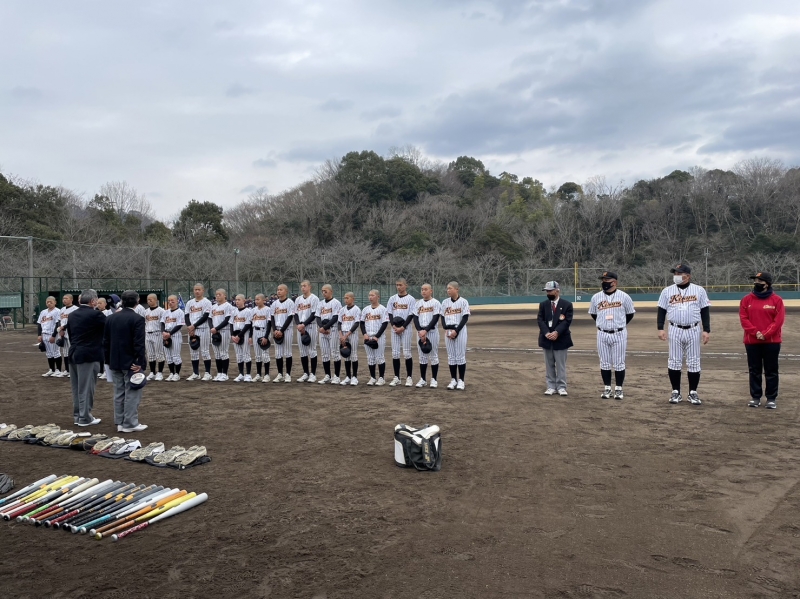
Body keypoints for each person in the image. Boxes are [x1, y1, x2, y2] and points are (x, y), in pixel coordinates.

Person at [657, 263, 711, 405]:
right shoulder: (667, 291)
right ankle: (676, 392)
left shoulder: (699, 290)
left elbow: (705, 311)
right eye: (675, 273)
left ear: (688, 276)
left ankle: (693, 392)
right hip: (675, 329)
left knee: (693, 361)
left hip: (693, 329)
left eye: (679, 273)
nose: (676, 276)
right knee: (674, 361)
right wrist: (660, 328)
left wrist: (706, 330)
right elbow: (661, 310)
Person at [104, 290, 148, 432]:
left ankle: (120, 422)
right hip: (131, 362)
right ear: (137, 301)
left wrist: (107, 360)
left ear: (122, 301)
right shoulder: (137, 319)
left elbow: (106, 342)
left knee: (118, 392)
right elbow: (139, 343)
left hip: (115, 360)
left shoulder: (110, 318)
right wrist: (140, 362)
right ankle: (130, 423)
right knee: (132, 392)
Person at [740, 271, 785, 409]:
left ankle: (771, 398)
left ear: (767, 284)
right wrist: (756, 333)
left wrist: (765, 334)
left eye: (760, 281)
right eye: (755, 281)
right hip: (752, 341)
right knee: (754, 370)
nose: (756, 283)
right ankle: (756, 397)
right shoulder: (746, 300)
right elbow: (744, 319)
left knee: (771, 370)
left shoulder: (777, 300)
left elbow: (778, 321)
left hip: (771, 342)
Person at [588, 272, 635, 400]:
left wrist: (619, 324)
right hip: (602, 333)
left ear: (614, 282)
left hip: (619, 333)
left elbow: (630, 314)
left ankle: (618, 389)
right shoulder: (596, 297)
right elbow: (593, 314)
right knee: (604, 363)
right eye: (603, 280)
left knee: (619, 362)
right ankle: (607, 388)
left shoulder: (624, 297)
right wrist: (603, 324)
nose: (604, 282)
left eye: (607, 280)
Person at [65, 289, 106, 426]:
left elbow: (70, 334)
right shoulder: (96, 314)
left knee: (76, 387)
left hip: (74, 352)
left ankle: (78, 415)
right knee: (87, 387)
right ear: (93, 301)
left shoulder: (72, 315)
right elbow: (108, 328)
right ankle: (85, 417)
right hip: (89, 354)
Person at [537, 281, 573, 396]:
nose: (548, 293)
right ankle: (551, 386)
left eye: (550, 291)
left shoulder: (567, 305)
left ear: (557, 291)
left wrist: (557, 332)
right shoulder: (543, 305)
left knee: (561, 365)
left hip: (561, 339)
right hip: (547, 339)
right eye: (547, 291)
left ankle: (561, 387)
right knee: (549, 365)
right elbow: (540, 320)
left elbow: (567, 321)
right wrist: (547, 333)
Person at [441, 281, 470, 390]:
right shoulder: (445, 302)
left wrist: (456, 331)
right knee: (451, 357)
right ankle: (453, 379)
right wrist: (445, 328)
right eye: (447, 288)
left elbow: (465, 318)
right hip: (448, 331)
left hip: (460, 331)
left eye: (450, 288)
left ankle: (461, 380)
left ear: (457, 289)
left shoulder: (463, 302)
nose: (448, 290)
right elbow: (442, 316)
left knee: (460, 356)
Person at [387, 279, 416, 387]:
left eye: (400, 285)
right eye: (397, 285)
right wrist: (393, 326)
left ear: (406, 285)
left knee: (407, 353)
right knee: (395, 353)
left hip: (406, 329)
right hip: (395, 329)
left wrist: (403, 327)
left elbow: (411, 314)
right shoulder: (392, 298)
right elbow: (390, 313)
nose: (398, 287)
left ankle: (409, 377)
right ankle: (397, 377)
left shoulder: (411, 299)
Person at [413, 283, 441, 388]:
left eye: (426, 289)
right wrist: (420, 331)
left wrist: (426, 330)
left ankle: (434, 379)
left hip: (432, 332)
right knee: (422, 357)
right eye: (422, 289)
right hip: (420, 333)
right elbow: (415, 318)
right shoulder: (418, 303)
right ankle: (423, 379)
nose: (423, 291)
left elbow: (435, 318)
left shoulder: (436, 303)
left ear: (431, 291)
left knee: (433, 356)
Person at [185, 283, 214, 381]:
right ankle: (196, 373)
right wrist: (190, 327)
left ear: (203, 291)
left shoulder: (207, 302)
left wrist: (194, 326)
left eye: (199, 289)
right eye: (195, 289)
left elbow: (205, 316)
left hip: (203, 329)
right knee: (193, 352)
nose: (197, 291)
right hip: (192, 331)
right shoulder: (189, 303)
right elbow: (186, 316)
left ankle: (207, 373)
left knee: (205, 351)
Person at [361, 289, 388, 385]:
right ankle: (372, 378)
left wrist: (377, 336)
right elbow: (362, 323)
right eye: (369, 295)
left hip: (379, 337)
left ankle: (381, 378)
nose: (370, 297)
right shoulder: (365, 309)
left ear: (378, 297)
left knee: (379, 357)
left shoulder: (383, 309)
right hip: (368, 336)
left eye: (372, 295)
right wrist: (364, 334)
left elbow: (384, 324)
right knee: (370, 358)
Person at [294, 280, 320, 383]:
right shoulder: (298, 299)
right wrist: (298, 324)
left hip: (311, 326)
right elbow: (295, 313)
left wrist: (303, 324)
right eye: (301, 286)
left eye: (304, 286)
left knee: (312, 350)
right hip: (300, 328)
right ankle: (305, 373)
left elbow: (314, 314)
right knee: (302, 351)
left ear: (310, 287)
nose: (302, 288)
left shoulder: (314, 298)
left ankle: (313, 374)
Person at [316, 284, 342, 384]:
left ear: (331, 291)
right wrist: (321, 327)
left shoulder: (336, 303)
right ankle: (327, 375)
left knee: (335, 353)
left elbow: (335, 317)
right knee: (324, 354)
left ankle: (337, 376)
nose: (323, 293)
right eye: (322, 291)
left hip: (333, 330)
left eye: (325, 291)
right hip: (323, 331)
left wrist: (325, 327)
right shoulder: (320, 303)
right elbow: (318, 317)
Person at [271, 284, 295, 383]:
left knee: (288, 352)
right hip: (277, 330)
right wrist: (275, 330)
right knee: (278, 353)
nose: (278, 291)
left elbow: (290, 317)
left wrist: (281, 330)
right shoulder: (274, 303)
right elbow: (272, 317)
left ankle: (288, 374)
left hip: (287, 329)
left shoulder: (290, 303)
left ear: (286, 291)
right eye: (278, 290)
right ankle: (280, 374)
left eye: (281, 290)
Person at [210, 289, 234, 381]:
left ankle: (225, 374)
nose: (217, 296)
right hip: (214, 332)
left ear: (225, 295)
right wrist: (212, 328)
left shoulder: (228, 306)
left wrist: (216, 328)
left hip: (224, 331)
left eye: (219, 294)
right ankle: (219, 373)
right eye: (216, 294)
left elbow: (227, 319)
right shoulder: (213, 307)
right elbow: (209, 318)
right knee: (217, 354)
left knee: (223, 353)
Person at [339, 292, 361, 385]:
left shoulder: (357, 309)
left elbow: (356, 323)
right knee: (346, 355)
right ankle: (348, 377)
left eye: (347, 298)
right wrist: (341, 335)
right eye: (345, 298)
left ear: (353, 299)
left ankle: (354, 377)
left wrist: (347, 335)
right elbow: (339, 323)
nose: (346, 300)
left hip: (352, 334)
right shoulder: (342, 310)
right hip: (343, 334)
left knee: (353, 355)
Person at [161, 295, 185, 381]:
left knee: (175, 355)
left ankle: (177, 374)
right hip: (166, 335)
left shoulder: (180, 312)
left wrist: (170, 333)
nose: (170, 302)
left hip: (175, 335)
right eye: (169, 301)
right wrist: (163, 332)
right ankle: (171, 373)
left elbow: (179, 325)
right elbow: (162, 323)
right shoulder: (165, 312)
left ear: (177, 301)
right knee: (168, 356)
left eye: (172, 301)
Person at [231, 294, 253, 382]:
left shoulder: (248, 311)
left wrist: (239, 336)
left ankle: (248, 375)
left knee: (246, 354)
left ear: (244, 301)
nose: (237, 301)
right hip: (235, 334)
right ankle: (241, 374)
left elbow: (248, 325)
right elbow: (231, 324)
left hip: (244, 334)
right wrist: (232, 335)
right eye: (236, 300)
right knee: (239, 355)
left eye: (239, 300)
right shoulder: (233, 311)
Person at [37, 296, 61, 377]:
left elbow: (58, 324)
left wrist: (54, 336)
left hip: (53, 334)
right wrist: (39, 335)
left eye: (51, 302)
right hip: (44, 334)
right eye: (47, 302)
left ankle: (58, 370)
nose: (49, 303)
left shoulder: (57, 311)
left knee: (56, 352)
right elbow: (39, 324)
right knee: (49, 353)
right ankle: (51, 369)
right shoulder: (43, 312)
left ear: (55, 302)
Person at [55, 293, 78, 378]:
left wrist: (63, 328)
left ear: (71, 299)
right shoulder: (62, 309)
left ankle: (73, 370)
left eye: (66, 298)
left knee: (72, 351)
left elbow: (74, 322)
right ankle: (67, 370)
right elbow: (59, 321)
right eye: (63, 298)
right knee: (65, 352)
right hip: (63, 332)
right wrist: (60, 330)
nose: (64, 300)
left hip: (72, 332)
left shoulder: (75, 309)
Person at [251, 293, 272, 382]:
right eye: (255, 299)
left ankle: (267, 375)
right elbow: (251, 324)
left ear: (264, 300)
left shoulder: (268, 310)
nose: (256, 301)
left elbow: (269, 324)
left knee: (265, 354)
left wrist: (266, 337)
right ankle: (258, 374)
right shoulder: (253, 310)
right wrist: (250, 336)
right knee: (257, 355)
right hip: (255, 331)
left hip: (264, 331)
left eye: (258, 299)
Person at [144, 294, 166, 381]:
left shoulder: (161, 311)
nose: (149, 301)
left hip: (157, 333)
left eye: (151, 299)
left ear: (156, 300)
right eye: (148, 300)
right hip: (147, 334)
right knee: (150, 355)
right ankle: (152, 372)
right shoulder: (145, 311)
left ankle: (160, 373)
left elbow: (164, 323)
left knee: (159, 354)